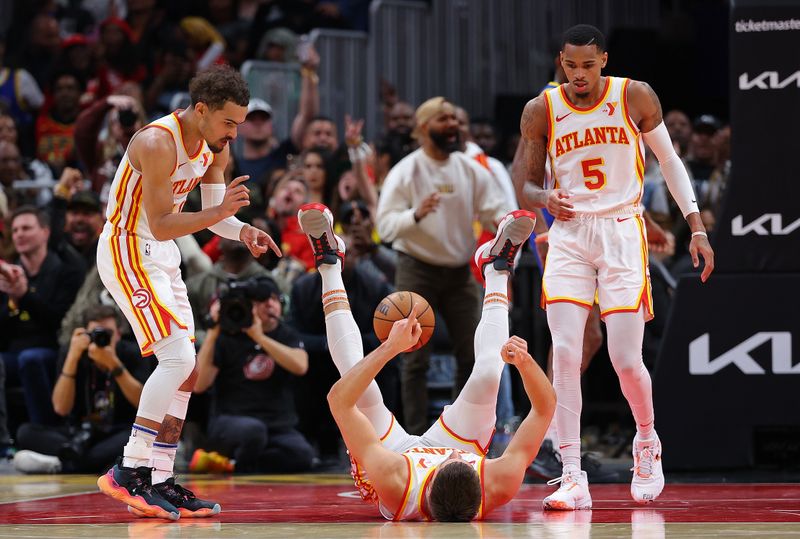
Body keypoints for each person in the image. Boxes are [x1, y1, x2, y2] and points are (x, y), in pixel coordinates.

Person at [514, 24, 714, 510]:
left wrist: (697, 228)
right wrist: (545, 198)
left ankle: (646, 440)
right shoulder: (542, 109)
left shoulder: (635, 96)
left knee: (625, 361)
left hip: (622, 230)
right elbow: (525, 182)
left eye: (587, 64)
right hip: (570, 234)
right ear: (560, 62)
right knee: (565, 354)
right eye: (570, 65)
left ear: (603, 59)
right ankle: (571, 473)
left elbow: (669, 161)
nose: (578, 74)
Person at [95, 65, 281, 521]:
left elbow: (214, 218)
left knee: (188, 368)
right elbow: (160, 222)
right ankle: (129, 468)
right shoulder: (157, 142)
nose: (234, 134)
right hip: (127, 248)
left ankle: (161, 478)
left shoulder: (213, 145)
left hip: (161, 252)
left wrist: (243, 231)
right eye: (229, 122)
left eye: (239, 123)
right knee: (176, 359)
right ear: (201, 110)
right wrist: (218, 211)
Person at [297, 202, 555, 522]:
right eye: (458, 459)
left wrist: (390, 348)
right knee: (490, 374)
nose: (443, 456)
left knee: (356, 384)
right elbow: (544, 408)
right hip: (438, 469)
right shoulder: (497, 482)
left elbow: (339, 400)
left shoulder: (393, 478)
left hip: (394, 457)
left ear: (429, 487)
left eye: (447, 460)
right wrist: (526, 364)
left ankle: (328, 262)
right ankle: (497, 267)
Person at [375, 97, 509, 435]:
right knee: (413, 356)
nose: (453, 125)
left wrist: (514, 228)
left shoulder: (471, 169)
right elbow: (386, 227)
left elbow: (499, 212)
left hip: (460, 270)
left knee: (474, 353)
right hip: (416, 267)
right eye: (443, 119)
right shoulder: (406, 170)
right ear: (423, 128)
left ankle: (460, 431)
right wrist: (416, 214)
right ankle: (416, 435)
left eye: (454, 118)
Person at [13, 305, 155, 474]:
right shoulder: (73, 352)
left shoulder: (132, 353)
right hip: (79, 434)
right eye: (96, 333)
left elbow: (143, 404)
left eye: (108, 333)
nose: (102, 338)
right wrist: (72, 357)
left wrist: (115, 365)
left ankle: (62, 464)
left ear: (118, 333)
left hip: (117, 431)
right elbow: (61, 407)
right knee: (25, 432)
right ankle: (92, 463)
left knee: (137, 441)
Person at [194, 275, 314, 473]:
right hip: (231, 421)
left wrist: (258, 337)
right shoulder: (226, 336)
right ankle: (240, 461)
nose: (270, 305)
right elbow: (199, 385)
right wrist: (213, 332)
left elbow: (300, 366)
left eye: (274, 299)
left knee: (303, 454)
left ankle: (231, 464)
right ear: (248, 306)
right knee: (253, 431)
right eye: (262, 301)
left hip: (276, 425)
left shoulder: (286, 334)